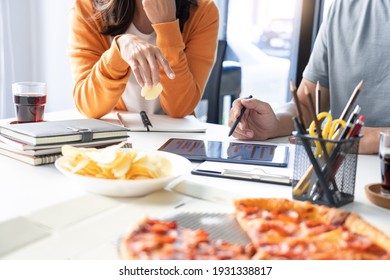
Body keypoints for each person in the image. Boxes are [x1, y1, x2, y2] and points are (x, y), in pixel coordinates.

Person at [228, 0, 390, 154]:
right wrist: (274, 123)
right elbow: (306, 106)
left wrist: (377, 137)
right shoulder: (343, 7)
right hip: (335, 168)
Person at [68, 0, 219, 119]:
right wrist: (119, 49)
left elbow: (180, 108)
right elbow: (88, 105)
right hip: (116, 138)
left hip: (174, 140)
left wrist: (167, 26)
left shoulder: (203, 11)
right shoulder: (88, 8)